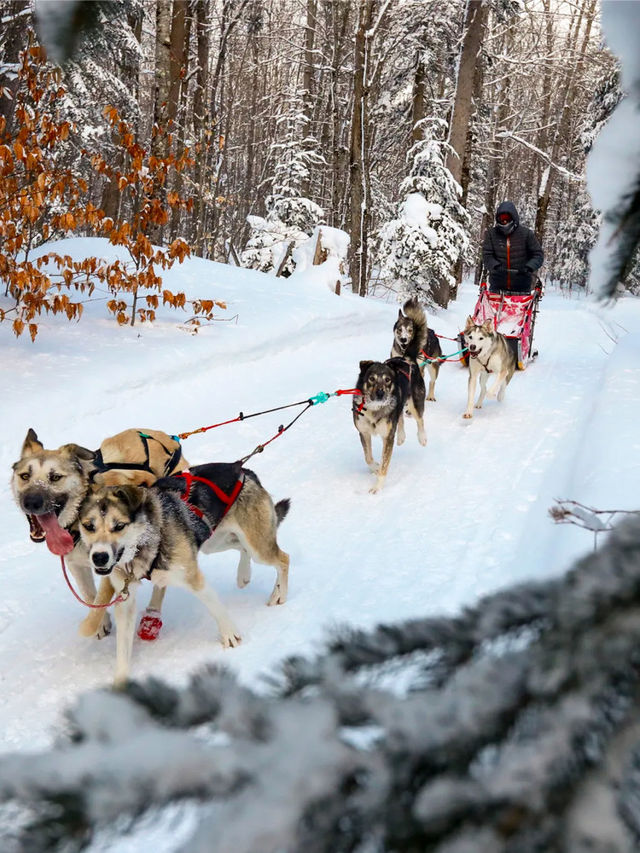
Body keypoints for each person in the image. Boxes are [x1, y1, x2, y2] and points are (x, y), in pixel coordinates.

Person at [482, 201, 544, 293]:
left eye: (507, 218)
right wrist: (495, 266)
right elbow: (487, 255)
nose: (504, 221)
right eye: (502, 218)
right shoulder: (491, 234)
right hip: (497, 287)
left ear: (513, 217)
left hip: (522, 287)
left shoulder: (526, 234)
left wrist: (528, 267)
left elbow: (538, 254)